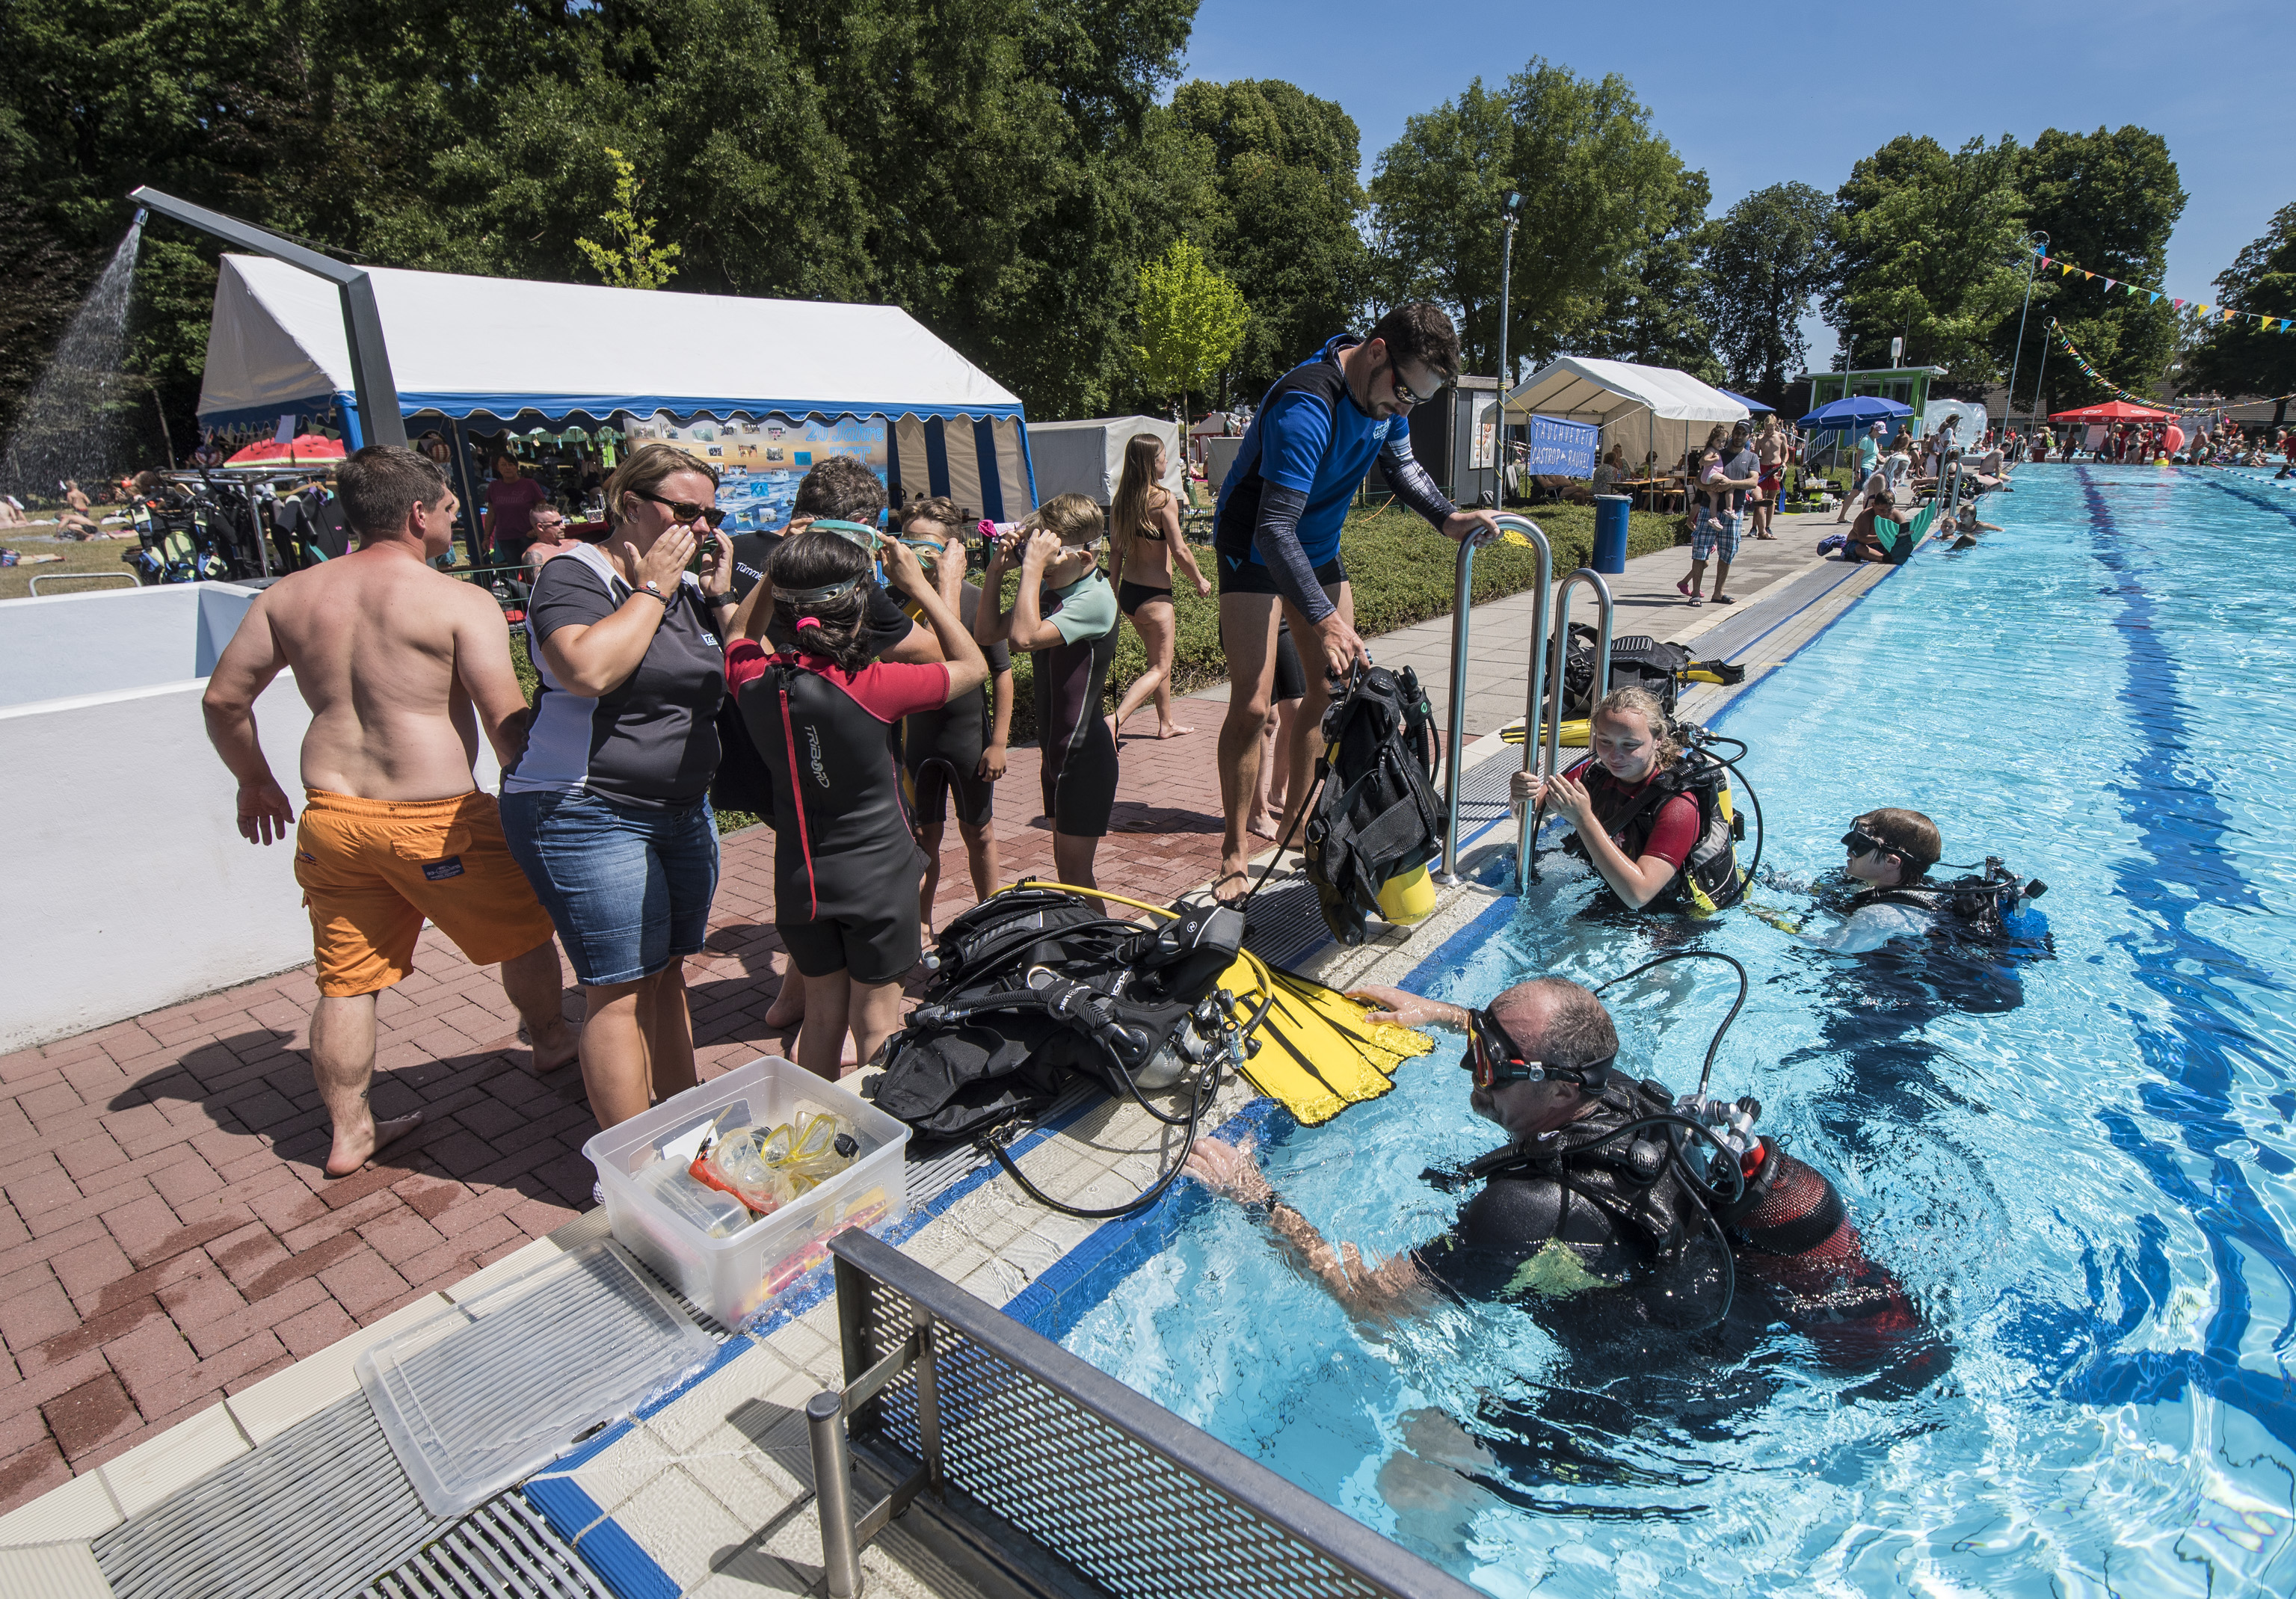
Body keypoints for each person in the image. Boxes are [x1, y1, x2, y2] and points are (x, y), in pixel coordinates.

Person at [1182, 974, 1939, 1384]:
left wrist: (1258, 1200)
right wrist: (1438, 1014)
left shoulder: (1525, 1210)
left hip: (1652, 1392)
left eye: (1486, 1061)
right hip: (1719, 1311)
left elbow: (1369, 1305)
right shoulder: (1634, 1100)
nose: (1470, 1077)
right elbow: (1533, 1050)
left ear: (1555, 1088)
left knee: (1422, 1472)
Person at [200, 446, 577, 1177]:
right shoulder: (456, 600)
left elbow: (222, 699)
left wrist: (253, 782)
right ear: (416, 514)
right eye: (445, 507)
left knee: (345, 982)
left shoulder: (288, 596)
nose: (454, 516)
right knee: (524, 932)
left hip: (333, 816)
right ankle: (552, 1040)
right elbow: (504, 722)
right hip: (433, 817)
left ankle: (350, 1133)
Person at [1208, 302, 1501, 902]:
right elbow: (1273, 529)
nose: (1404, 409)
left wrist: (1448, 517)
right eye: (1403, 393)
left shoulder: (1384, 394)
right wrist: (1322, 619)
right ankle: (1234, 853)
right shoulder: (1306, 403)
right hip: (1254, 544)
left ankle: (1298, 825)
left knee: (1330, 688)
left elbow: (1402, 465)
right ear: (1375, 351)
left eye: (1418, 401)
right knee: (1254, 701)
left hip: (1313, 545)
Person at [499, 443, 736, 1135]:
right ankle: (635, 1170)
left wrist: (716, 596)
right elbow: (587, 670)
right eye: (685, 509)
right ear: (629, 503)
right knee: (616, 984)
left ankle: (690, 1132)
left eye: (710, 512)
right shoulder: (576, 572)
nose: (701, 526)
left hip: (678, 807)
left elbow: (742, 669)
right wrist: (653, 588)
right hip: (585, 807)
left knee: (664, 971)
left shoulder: (691, 586)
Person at [727, 529, 988, 1078]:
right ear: (859, 604)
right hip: (878, 878)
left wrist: (778, 570)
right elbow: (973, 664)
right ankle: (879, 1142)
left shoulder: (752, 678)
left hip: (801, 880)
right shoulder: (874, 683)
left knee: (821, 1019)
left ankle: (817, 1145)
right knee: (875, 1024)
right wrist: (922, 584)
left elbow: (738, 629)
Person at [723, 457, 944, 1030]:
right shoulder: (853, 583)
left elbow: (735, 635)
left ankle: (797, 1003)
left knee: (812, 887)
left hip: (771, 752)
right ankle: (853, 1032)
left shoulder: (755, 555)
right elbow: (930, 654)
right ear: (859, 521)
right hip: (850, 765)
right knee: (864, 921)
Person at [976, 493, 1121, 893]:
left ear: (1085, 557)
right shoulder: (1055, 589)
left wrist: (1033, 571)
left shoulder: (1094, 600)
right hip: (1055, 755)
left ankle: (1106, 953)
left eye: (1049, 555)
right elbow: (988, 634)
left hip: (1084, 759)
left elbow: (1022, 639)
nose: (1035, 563)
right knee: (1068, 877)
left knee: (1077, 878)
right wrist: (995, 572)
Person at [1509, 686, 1741, 914]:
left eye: (1630, 745)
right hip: (1614, 892)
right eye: (1605, 741)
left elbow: (1638, 895)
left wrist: (1584, 819)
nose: (1614, 756)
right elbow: (1528, 812)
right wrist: (1521, 795)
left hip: (1675, 914)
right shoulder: (1594, 776)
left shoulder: (1679, 805)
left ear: (1658, 739)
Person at [892, 496, 1013, 926]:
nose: (917, 556)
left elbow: (1001, 672)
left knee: (978, 832)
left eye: (929, 547)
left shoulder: (975, 600)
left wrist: (998, 742)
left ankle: (992, 920)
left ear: (951, 552)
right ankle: (921, 924)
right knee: (923, 838)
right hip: (917, 743)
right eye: (910, 544)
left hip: (967, 740)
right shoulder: (894, 604)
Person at [1107, 433, 1212, 742]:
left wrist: (1112, 596)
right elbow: (1179, 551)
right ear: (1151, 463)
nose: (1169, 461)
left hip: (1129, 594)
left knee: (1157, 663)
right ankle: (1115, 720)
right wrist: (1200, 580)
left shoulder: (1121, 500)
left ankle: (1166, 724)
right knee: (1160, 668)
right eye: (1164, 457)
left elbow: (1115, 552)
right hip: (1155, 598)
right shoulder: (1164, 500)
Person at [1677, 423, 1756, 606]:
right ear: (1732, 433)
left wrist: (1731, 483)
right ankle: (1695, 593)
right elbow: (1698, 479)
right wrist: (1707, 487)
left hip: (1734, 511)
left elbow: (1753, 482)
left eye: (1744, 434)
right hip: (1708, 509)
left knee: (1727, 552)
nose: (1739, 436)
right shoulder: (1718, 451)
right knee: (1700, 551)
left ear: (1749, 436)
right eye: (1737, 432)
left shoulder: (1751, 457)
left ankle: (1718, 593)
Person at [484, 454, 549, 563]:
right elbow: (491, 514)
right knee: (515, 572)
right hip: (505, 538)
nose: (507, 468)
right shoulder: (494, 487)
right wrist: (486, 537)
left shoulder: (529, 484)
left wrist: (536, 531)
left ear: (517, 467)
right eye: (503, 465)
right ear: (498, 468)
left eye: (510, 464)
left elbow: (543, 509)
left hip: (528, 536)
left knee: (533, 570)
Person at [1844, 487, 1912, 564]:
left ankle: (1887, 556)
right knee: (1859, 548)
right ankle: (1883, 558)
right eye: (1881, 510)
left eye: (1889, 510)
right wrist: (1879, 538)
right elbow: (1862, 538)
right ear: (1873, 505)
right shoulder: (1866, 515)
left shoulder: (1896, 515)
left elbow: (1906, 533)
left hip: (1882, 546)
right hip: (1860, 544)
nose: (1886, 513)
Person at [1836, 424, 1886, 524]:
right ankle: (1866, 517)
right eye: (1879, 432)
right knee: (1868, 494)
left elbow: (1876, 456)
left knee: (1854, 493)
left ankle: (1842, 517)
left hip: (1869, 468)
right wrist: (1857, 472)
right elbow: (1858, 457)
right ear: (1874, 430)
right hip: (1864, 469)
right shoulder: (1866, 440)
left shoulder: (1874, 440)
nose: (1881, 435)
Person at [1751, 414, 1785, 539]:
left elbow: (1785, 453)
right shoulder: (1761, 438)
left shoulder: (1781, 437)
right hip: (1764, 467)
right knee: (1759, 498)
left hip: (1776, 468)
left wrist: (1784, 464)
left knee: (1772, 499)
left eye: (1770, 428)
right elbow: (1755, 455)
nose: (1768, 431)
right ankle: (1755, 526)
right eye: (1766, 428)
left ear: (1775, 426)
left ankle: (1768, 526)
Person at [520, 505, 581, 570]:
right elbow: (541, 580)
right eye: (557, 523)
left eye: (561, 522)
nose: (563, 527)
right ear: (540, 527)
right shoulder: (534, 554)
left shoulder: (575, 544)